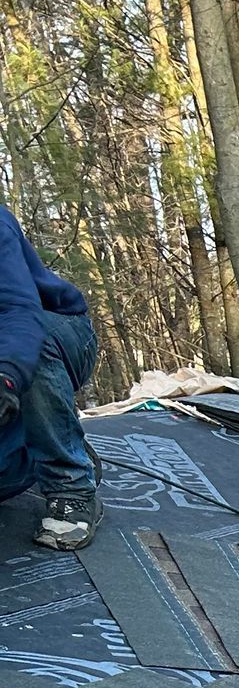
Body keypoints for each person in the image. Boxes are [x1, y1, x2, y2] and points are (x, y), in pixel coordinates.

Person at [0, 204, 99, 551]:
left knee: (29, 348)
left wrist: (7, 376)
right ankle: (34, 448)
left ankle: (70, 484)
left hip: (53, 330)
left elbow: (18, 312)